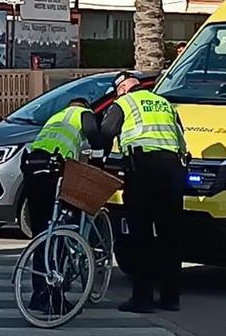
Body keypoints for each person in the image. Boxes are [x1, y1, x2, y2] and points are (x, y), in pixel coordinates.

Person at [99, 71, 188, 313]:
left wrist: (102, 157)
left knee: (140, 236)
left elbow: (105, 133)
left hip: (143, 170)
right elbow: (181, 139)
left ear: (123, 88)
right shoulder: (164, 103)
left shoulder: (124, 102)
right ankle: (171, 298)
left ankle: (143, 298)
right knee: (170, 237)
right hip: (172, 171)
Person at [20, 97, 102, 312]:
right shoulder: (81, 114)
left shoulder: (55, 117)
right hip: (53, 169)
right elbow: (95, 135)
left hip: (32, 166)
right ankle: (54, 297)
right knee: (60, 232)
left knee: (42, 235)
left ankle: (39, 294)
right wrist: (100, 160)